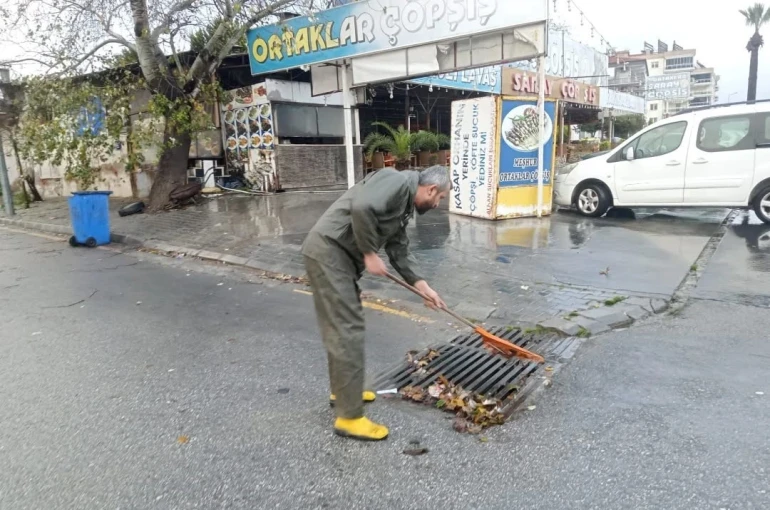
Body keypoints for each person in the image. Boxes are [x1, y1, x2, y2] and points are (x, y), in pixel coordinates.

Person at [302, 165, 450, 441]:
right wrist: (370, 253)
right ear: (431, 189)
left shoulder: (404, 202)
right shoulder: (395, 181)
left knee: (344, 325)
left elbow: (398, 247)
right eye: (439, 197)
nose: (437, 203)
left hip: (338, 258)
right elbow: (361, 206)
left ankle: (344, 391)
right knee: (347, 328)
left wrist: (421, 285)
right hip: (329, 253)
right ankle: (349, 417)